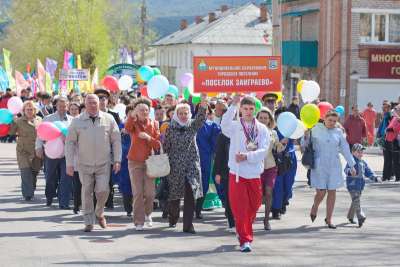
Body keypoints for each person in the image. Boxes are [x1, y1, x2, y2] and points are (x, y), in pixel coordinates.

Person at [65, 94, 122, 232]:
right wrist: (69, 163)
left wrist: (117, 160)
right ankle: (88, 221)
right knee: (86, 192)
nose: (92, 105)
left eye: (95, 102)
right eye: (89, 102)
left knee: (103, 190)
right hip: (84, 164)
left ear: (99, 104)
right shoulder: (77, 121)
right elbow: (70, 143)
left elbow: (116, 140)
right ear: (85, 104)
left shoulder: (108, 119)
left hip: (103, 163)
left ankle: (99, 212)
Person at [221, 95, 269, 252]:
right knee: (241, 209)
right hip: (237, 174)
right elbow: (224, 125)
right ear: (241, 110)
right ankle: (245, 239)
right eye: (245, 108)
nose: (248, 112)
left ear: (255, 110)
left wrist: (247, 156)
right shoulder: (235, 126)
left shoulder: (261, 129)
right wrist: (233, 106)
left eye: (251, 109)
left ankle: (242, 228)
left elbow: (263, 151)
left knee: (254, 206)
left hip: (254, 174)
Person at [307, 110, 356, 229]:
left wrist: (351, 165)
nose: (332, 123)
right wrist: (305, 135)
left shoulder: (339, 132)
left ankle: (329, 219)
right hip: (320, 165)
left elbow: (345, 149)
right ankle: (315, 206)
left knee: (332, 191)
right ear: (325, 118)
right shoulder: (315, 129)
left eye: (334, 121)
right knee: (321, 192)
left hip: (334, 165)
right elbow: (306, 145)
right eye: (330, 120)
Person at [164, 99, 207, 234]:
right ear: (176, 114)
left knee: (190, 193)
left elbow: (200, 119)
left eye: (186, 113)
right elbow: (167, 147)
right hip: (175, 165)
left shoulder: (192, 125)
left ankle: (188, 224)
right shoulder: (170, 128)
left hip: (191, 165)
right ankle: (173, 217)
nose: (183, 115)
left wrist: (203, 105)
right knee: (175, 195)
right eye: (181, 113)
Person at [125, 97, 160, 231]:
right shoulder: (133, 123)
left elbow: (157, 144)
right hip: (134, 161)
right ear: (136, 111)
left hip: (150, 161)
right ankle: (138, 221)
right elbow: (127, 128)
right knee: (138, 192)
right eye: (141, 110)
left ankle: (148, 214)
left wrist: (148, 138)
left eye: (146, 110)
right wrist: (132, 116)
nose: (144, 112)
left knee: (150, 193)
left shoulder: (154, 123)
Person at [35, 97, 73, 209]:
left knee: (66, 178)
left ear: (68, 106)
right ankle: (50, 196)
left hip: (66, 154)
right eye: (60, 106)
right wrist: (38, 147)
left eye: (64, 106)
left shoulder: (72, 120)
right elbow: (40, 134)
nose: (62, 108)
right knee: (51, 178)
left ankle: (64, 203)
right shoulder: (48, 118)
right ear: (56, 106)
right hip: (51, 154)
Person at [256, 108, 285, 230]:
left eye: (265, 118)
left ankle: (266, 219)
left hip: (270, 167)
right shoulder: (252, 131)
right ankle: (251, 215)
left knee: (268, 192)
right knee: (257, 195)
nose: (263, 120)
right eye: (261, 118)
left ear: (270, 120)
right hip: (256, 167)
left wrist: (282, 144)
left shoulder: (273, 133)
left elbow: (278, 149)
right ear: (257, 119)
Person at [8, 101, 42, 200]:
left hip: (36, 150)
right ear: (23, 110)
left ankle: (31, 189)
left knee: (34, 172)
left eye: (31, 109)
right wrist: (12, 122)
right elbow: (11, 132)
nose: (30, 111)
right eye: (27, 109)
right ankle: (27, 194)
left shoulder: (40, 120)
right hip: (23, 151)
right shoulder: (18, 121)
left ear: (35, 110)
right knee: (25, 171)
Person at [94, 88, 121, 209]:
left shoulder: (114, 115)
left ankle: (109, 200)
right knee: (96, 178)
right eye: (99, 98)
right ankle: (96, 201)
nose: (101, 100)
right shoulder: (91, 114)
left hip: (109, 151)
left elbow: (118, 134)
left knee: (109, 178)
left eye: (103, 98)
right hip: (94, 152)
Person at [195, 104, 221, 219]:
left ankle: (198, 209)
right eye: (200, 110)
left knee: (204, 183)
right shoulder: (189, 124)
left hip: (205, 158)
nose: (202, 113)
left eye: (205, 111)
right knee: (191, 185)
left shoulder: (212, 126)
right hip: (189, 159)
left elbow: (216, 143)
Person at [344, 143, 379, 228]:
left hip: (360, 185)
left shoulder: (363, 162)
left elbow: (368, 171)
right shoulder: (351, 161)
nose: (360, 153)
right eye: (358, 152)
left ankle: (350, 216)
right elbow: (346, 169)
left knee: (355, 201)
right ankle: (361, 217)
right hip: (352, 185)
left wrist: (374, 177)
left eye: (361, 152)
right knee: (357, 201)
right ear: (353, 152)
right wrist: (350, 171)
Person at [271, 108, 297, 220]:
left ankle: (284, 201)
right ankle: (276, 209)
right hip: (278, 160)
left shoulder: (292, 130)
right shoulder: (273, 131)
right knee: (277, 185)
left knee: (288, 184)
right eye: (280, 117)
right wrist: (280, 144)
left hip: (290, 159)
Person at [214, 132, 235, 232]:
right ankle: (232, 223)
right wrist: (217, 173)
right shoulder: (223, 135)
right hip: (227, 172)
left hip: (243, 171)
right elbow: (219, 155)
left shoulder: (245, 132)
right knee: (230, 197)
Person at [68, 102, 82, 214]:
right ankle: (76, 206)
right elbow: (70, 143)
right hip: (77, 159)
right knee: (77, 185)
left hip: (92, 160)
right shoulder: (74, 123)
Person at [382, 105, 400, 182]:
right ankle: (386, 177)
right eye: (395, 110)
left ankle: (398, 177)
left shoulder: (398, 119)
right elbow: (388, 128)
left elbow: (395, 129)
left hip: (394, 141)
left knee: (396, 161)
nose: (395, 111)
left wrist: (389, 129)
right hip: (388, 140)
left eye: (397, 110)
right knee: (387, 160)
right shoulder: (394, 118)